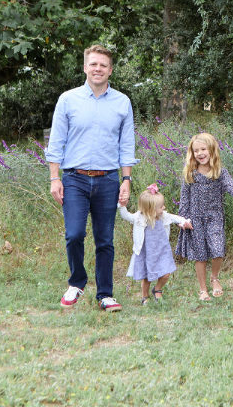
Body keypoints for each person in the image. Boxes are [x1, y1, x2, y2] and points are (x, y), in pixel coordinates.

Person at [45, 44, 138, 312]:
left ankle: (105, 294)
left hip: (108, 180)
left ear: (110, 70)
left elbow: (126, 145)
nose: (98, 69)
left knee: (105, 239)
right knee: (74, 234)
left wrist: (126, 180)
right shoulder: (68, 99)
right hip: (74, 179)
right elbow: (56, 141)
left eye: (103, 65)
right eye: (93, 64)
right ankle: (76, 283)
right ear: (85, 67)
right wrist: (55, 178)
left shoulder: (122, 102)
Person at [175, 133, 233, 301]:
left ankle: (214, 277)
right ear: (192, 153)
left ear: (212, 150)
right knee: (200, 255)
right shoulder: (190, 174)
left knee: (218, 249)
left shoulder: (220, 173)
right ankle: (202, 289)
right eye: (196, 150)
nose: (200, 153)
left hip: (215, 217)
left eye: (203, 149)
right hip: (195, 220)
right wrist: (182, 220)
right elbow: (184, 200)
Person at [119, 183, 193, 305]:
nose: (164, 208)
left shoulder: (162, 216)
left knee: (166, 273)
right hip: (147, 252)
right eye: (161, 206)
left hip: (162, 250)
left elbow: (176, 218)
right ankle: (145, 296)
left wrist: (184, 222)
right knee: (147, 277)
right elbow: (126, 216)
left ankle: (157, 289)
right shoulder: (139, 217)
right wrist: (122, 206)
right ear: (151, 210)